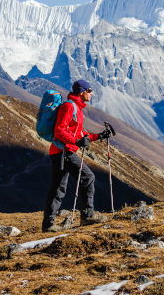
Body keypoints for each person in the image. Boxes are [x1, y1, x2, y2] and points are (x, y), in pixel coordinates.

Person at [42, 79, 112, 232]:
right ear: (82, 92)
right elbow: (59, 131)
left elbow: (80, 134)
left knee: (58, 188)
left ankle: (48, 224)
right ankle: (87, 216)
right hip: (63, 151)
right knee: (87, 177)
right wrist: (75, 141)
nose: (91, 93)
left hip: (62, 151)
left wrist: (99, 136)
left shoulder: (76, 109)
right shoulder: (69, 107)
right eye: (89, 90)